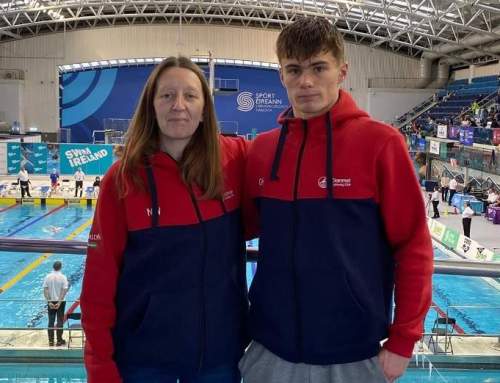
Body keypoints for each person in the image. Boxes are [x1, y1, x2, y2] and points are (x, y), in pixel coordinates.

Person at [241, 17, 433, 383]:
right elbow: (238, 226)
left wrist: (403, 341)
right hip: (269, 350)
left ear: (341, 71)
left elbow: (413, 245)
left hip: (354, 356)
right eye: (294, 70)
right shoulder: (264, 150)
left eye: (318, 67)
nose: (306, 81)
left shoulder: (381, 143)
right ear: (281, 76)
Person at [80, 56, 248, 383]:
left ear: (204, 111)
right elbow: (99, 280)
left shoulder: (232, 161)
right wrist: (99, 364)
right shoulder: (123, 179)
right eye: (167, 95)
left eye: (190, 95)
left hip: (218, 357)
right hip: (143, 361)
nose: (178, 105)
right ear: (151, 107)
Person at [43, 261, 69, 347]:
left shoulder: (48, 277)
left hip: (51, 301)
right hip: (60, 302)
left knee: (51, 321)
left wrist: (49, 301)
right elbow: (64, 290)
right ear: (60, 267)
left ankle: (51, 341)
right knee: (60, 321)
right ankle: (59, 341)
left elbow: (45, 290)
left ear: (53, 267)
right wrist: (59, 302)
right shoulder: (63, 277)